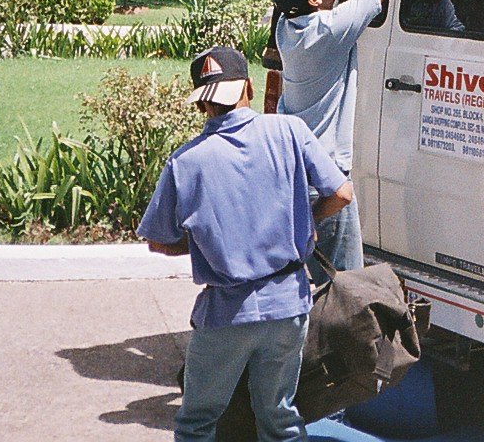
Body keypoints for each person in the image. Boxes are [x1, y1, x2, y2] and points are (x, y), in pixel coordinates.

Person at [138, 45, 353, 442]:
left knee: (198, 423)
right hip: (288, 307)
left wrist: (207, 242)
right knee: (280, 418)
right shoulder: (289, 131)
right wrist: (305, 219)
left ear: (203, 104)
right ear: (249, 89)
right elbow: (341, 193)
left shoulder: (186, 162)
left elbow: (158, 241)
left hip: (226, 316)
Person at [272, 0, 448, 276]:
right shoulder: (330, 31)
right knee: (344, 285)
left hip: (296, 171)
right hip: (324, 176)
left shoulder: (288, 25)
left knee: (307, 274)